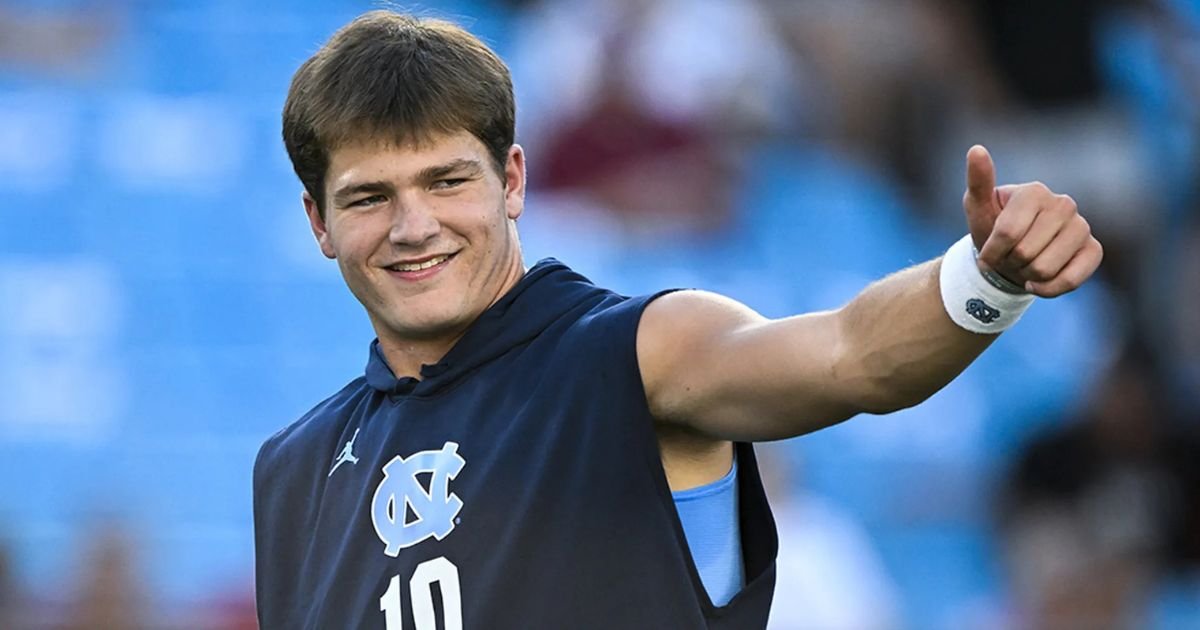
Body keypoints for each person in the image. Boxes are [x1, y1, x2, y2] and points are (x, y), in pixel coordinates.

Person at [252, 11, 1103, 630]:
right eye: (369, 197)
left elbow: (854, 356)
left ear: (511, 181)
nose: (413, 226)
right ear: (319, 222)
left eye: (446, 182)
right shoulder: (294, 470)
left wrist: (985, 277)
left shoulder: (634, 352)